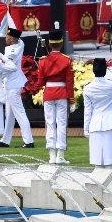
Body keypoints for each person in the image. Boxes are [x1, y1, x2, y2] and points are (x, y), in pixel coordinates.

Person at [37, 29, 75, 164]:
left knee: (50, 124)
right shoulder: (67, 60)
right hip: (62, 93)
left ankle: (52, 156)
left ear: (49, 42)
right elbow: (70, 82)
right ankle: (60, 155)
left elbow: (40, 82)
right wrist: (71, 99)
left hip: (49, 93)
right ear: (62, 42)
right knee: (62, 124)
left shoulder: (43, 61)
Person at [0, 28, 34, 148]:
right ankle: (5, 140)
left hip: (13, 85)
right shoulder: (20, 44)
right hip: (12, 84)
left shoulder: (12, 52)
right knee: (9, 115)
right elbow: (20, 39)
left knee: (19, 113)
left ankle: (28, 141)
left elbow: (7, 66)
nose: (5, 38)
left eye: (7, 36)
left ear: (12, 38)